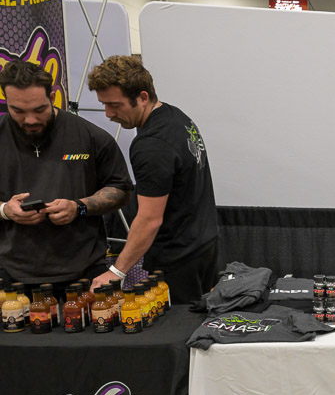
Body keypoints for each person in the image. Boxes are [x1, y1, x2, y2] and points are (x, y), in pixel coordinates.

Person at [87, 56, 219, 304]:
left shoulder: (151, 146)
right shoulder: (175, 116)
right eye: (104, 104)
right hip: (204, 243)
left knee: (178, 326)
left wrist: (116, 272)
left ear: (143, 97)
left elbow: (149, 219)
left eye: (115, 105)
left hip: (178, 257)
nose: (108, 114)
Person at [0, 60, 131, 291]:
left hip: (86, 271)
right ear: (6, 101)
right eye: (18, 111)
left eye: (39, 109)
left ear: (52, 97)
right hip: (12, 273)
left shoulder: (91, 136)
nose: (30, 120)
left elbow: (120, 189)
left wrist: (78, 207)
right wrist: (5, 210)